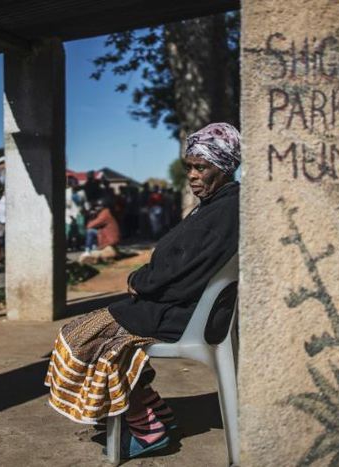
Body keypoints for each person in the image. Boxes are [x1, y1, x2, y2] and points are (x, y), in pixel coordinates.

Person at [45, 123, 240, 459]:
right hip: (183, 306)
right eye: (189, 167)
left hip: (184, 313)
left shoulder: (224, 210)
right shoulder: (218, 204)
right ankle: (156, 415)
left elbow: (184, 273)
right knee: (93, 328)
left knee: (85, 338)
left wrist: (141, 282)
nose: (192, 175)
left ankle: (148, 432)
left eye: (201, 167)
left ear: (223, 167)